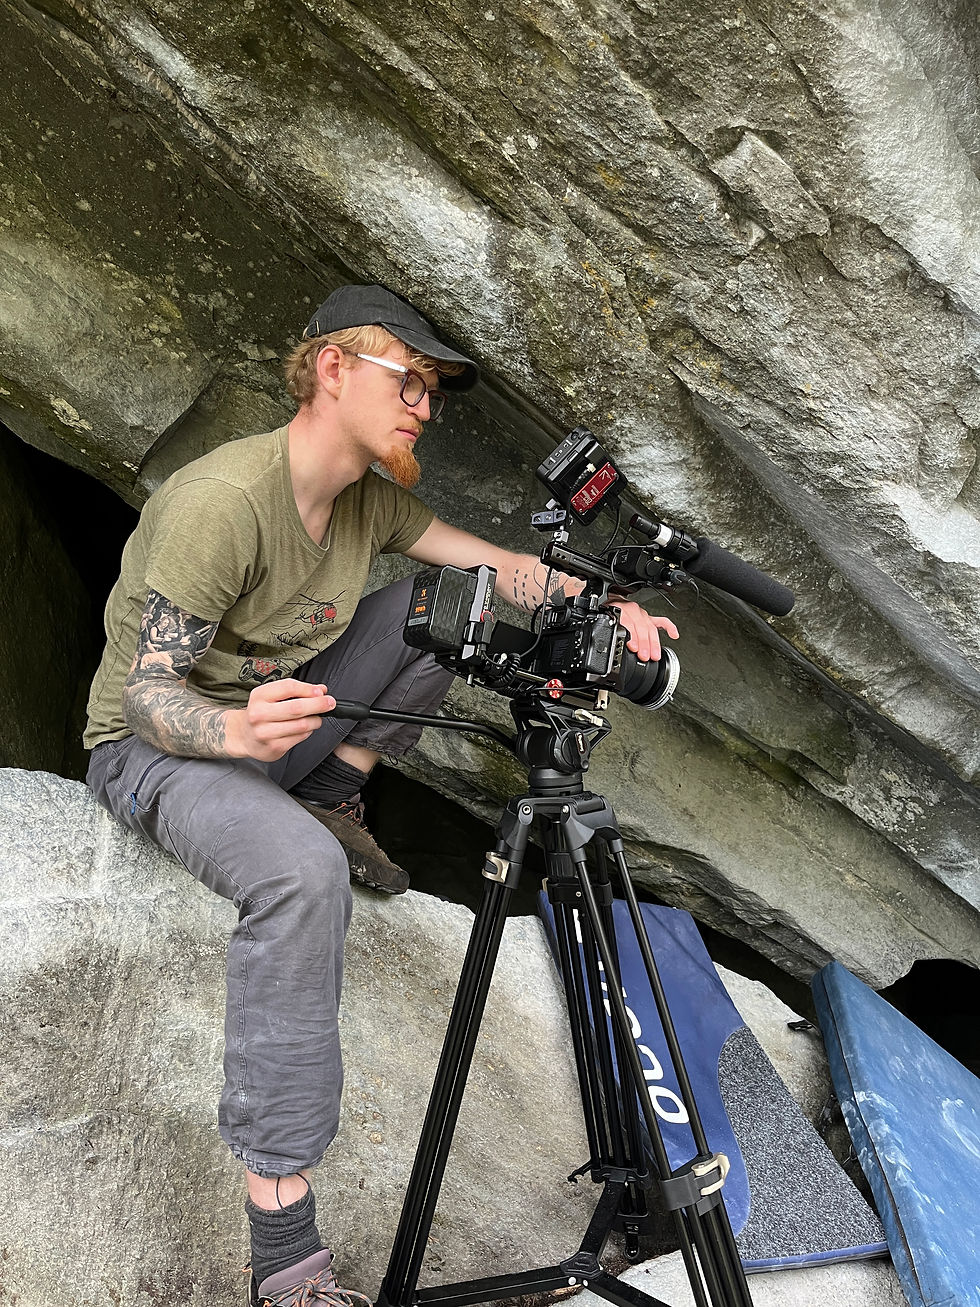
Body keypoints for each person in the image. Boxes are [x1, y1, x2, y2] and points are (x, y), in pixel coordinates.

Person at [83, 284, 679, 1307]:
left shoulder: (368, 498)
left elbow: (495, 567)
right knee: (301, 874)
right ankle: (285, 1257)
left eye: (432, 392)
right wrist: (228, 730)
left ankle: (330, 792)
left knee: (442, 603)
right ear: (330, 370)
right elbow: (143, 693)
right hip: (161, 751)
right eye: (407, 380)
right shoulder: (224, 501)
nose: (424, 405)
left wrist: (608, 606)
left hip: (279, 733)